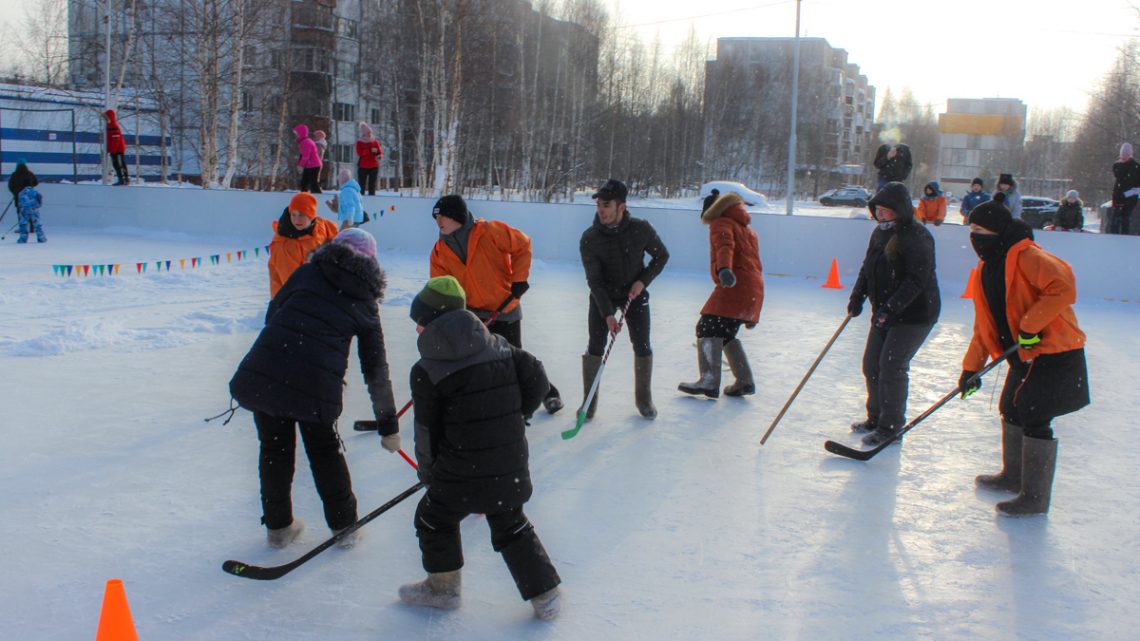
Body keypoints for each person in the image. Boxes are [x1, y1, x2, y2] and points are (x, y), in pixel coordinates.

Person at [399, 276, 562, 620]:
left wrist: (429, 472)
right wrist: (515, 415)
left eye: (420, 321)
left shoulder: (426, 369)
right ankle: (546, 595)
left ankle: (443, 589)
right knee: (511, 524)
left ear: (432, 321)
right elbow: (539, 380)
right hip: (509, 462)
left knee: (432, 518)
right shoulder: (501, 346)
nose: (417, 329)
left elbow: (426, 431)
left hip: (458, 472)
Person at [229, 228, 401, 549]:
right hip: (315, 387)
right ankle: (345, 528)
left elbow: (274, 312)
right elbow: (375, 368)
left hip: (267, 373)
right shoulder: (365, 301)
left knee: (274, 451)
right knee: (324, 454)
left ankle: (278, 528)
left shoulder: (308, 272)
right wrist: (388, 426)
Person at [960, 201, 1089, 516]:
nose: (974, 237)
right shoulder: (987, 267)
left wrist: (1031, 325)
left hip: (1053, 349)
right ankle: (1013, 476)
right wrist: (970, 368)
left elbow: (1063, 285)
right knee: (1010, 407)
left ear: (997, 230)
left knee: (1034, 412)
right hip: (1022, 353)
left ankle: (1034, 497)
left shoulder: (1027, 255)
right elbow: (985, 326)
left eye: (979, 230)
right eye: (971, 231)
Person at [428, 194, 562, 414]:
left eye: (443, 216)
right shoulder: (439, 251)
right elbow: (440, 286)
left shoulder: (489, 231)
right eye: (436, 217)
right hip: (470, 314)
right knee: (476, 363)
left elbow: (522, 244)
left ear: (457, 216)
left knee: (515, 359)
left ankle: (547, 392)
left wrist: (519, 279)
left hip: (503, 308)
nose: (438, 221)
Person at [847, 182, 941, 447]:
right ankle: (876, 417)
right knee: (871, 365)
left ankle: (891, 427)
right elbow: (868, 268)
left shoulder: (917, 236)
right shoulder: (879, 234)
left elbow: (916, 280)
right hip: (884, 312)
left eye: (887, 211)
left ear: (899, 210)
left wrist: (891, 308)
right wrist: (857, 297)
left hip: (915, 314)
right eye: (877, 210)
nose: (881, 215)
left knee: (892, 366)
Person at [579, 178, 670, 419]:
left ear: (622, 207)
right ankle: (589, 403)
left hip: (634, 295)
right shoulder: (590, 238)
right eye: (598, 204)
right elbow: (594, 281)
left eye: (606, 204)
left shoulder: (641, 229)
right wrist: (608, 313)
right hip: (603, 296)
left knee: (642, 345)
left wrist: (642, 281)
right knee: (595, 347)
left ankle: (644, 399)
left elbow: (661, 256)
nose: (600, 209)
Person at [678, 192, 762, 398]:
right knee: (725, 334)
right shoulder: (746, 229)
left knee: (706, 327)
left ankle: (709, 380)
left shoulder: (721, 223)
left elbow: (725, 246)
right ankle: (744, 380)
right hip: (751, 289)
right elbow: (756, 266)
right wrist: (755, 309)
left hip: (733, 284)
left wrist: (724, 269)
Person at [268, 192, 339, 298]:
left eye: (301, 215)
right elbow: (292, 281)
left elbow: (341, 244)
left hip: (317, 292)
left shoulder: (322, 227)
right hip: (289, 300)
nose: (296, 220)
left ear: (311, 216)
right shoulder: (284, 244)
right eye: (293, 214)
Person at [1110, 142, 1140, 235]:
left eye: (1126, 154)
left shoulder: (1136, 166)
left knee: (1125, 218)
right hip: (1118, 195)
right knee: (1115, 218)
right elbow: (1118, 175)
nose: (1124, 156)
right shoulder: (1117, 165)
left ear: (1130, 155)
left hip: (1130, 196)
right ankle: (1113, 237)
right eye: (1122, 154)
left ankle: (1125, 237)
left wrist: (1135, 191)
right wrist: (1121, 164)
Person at [355, 122, 383, 196]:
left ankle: (372, 199)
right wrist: (369, 150)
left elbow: (380, 152)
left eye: (370, 132)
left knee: (372, 185)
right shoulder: (360, 142)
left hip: (374, 166)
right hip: (363, 166)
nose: (370, 134)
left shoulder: (375, 142)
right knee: (361, 185)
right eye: (368, 133)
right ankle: (361, 199)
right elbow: (359, 153)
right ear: (364, 133)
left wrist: (379, 156)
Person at [103, 109, 129, 185]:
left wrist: (112, 150)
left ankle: (123, 179)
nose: (105, 120)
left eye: (106, 118)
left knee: (119, 164)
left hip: (118, 150)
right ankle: (123, 179)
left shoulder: (113, 126)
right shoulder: (110, 125)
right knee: (117, 164)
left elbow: (116, 140)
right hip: (115, 149)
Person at [294, 124, 322, 193]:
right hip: (310, 165)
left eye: (297, 134)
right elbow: (302, 155)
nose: (296, 136)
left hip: (313, 165)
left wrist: (300, 166)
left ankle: (318, 196)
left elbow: (306, 156)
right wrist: (300, 164)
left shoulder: (306, 142)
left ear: (301, 134)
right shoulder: (304, 142)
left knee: (313, 183)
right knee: (304, 182)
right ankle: (304, 196)